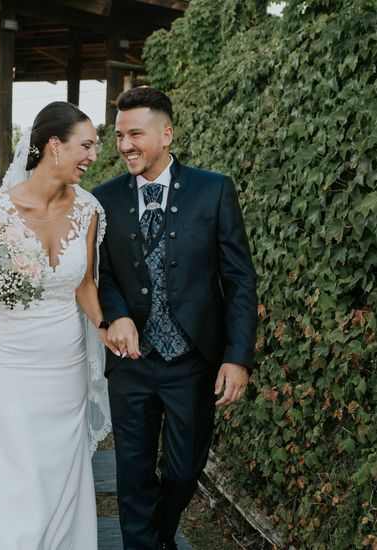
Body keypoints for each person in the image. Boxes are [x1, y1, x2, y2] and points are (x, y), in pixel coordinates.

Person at [0, 101, 112, 550]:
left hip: (65, 356)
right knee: (18, 462)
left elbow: (85, 284)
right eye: (86, 145)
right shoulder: (0, 209)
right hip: (9, 357)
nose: (93, 156)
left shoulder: (89, 210)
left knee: (60, 460)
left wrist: (108, 328)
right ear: (55, 146)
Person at [92, 87, 258, 550]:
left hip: (192, 360)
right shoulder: (102, 200)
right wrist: (117, 315)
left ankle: (158, 537)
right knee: (133, 471)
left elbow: (240, 281)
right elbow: (99, 275)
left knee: (185, 471)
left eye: (136, 134)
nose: (125, 145)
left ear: (166, 134)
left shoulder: (214, 189)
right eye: (120, 135)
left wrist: (237, 357)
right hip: (131, 361)